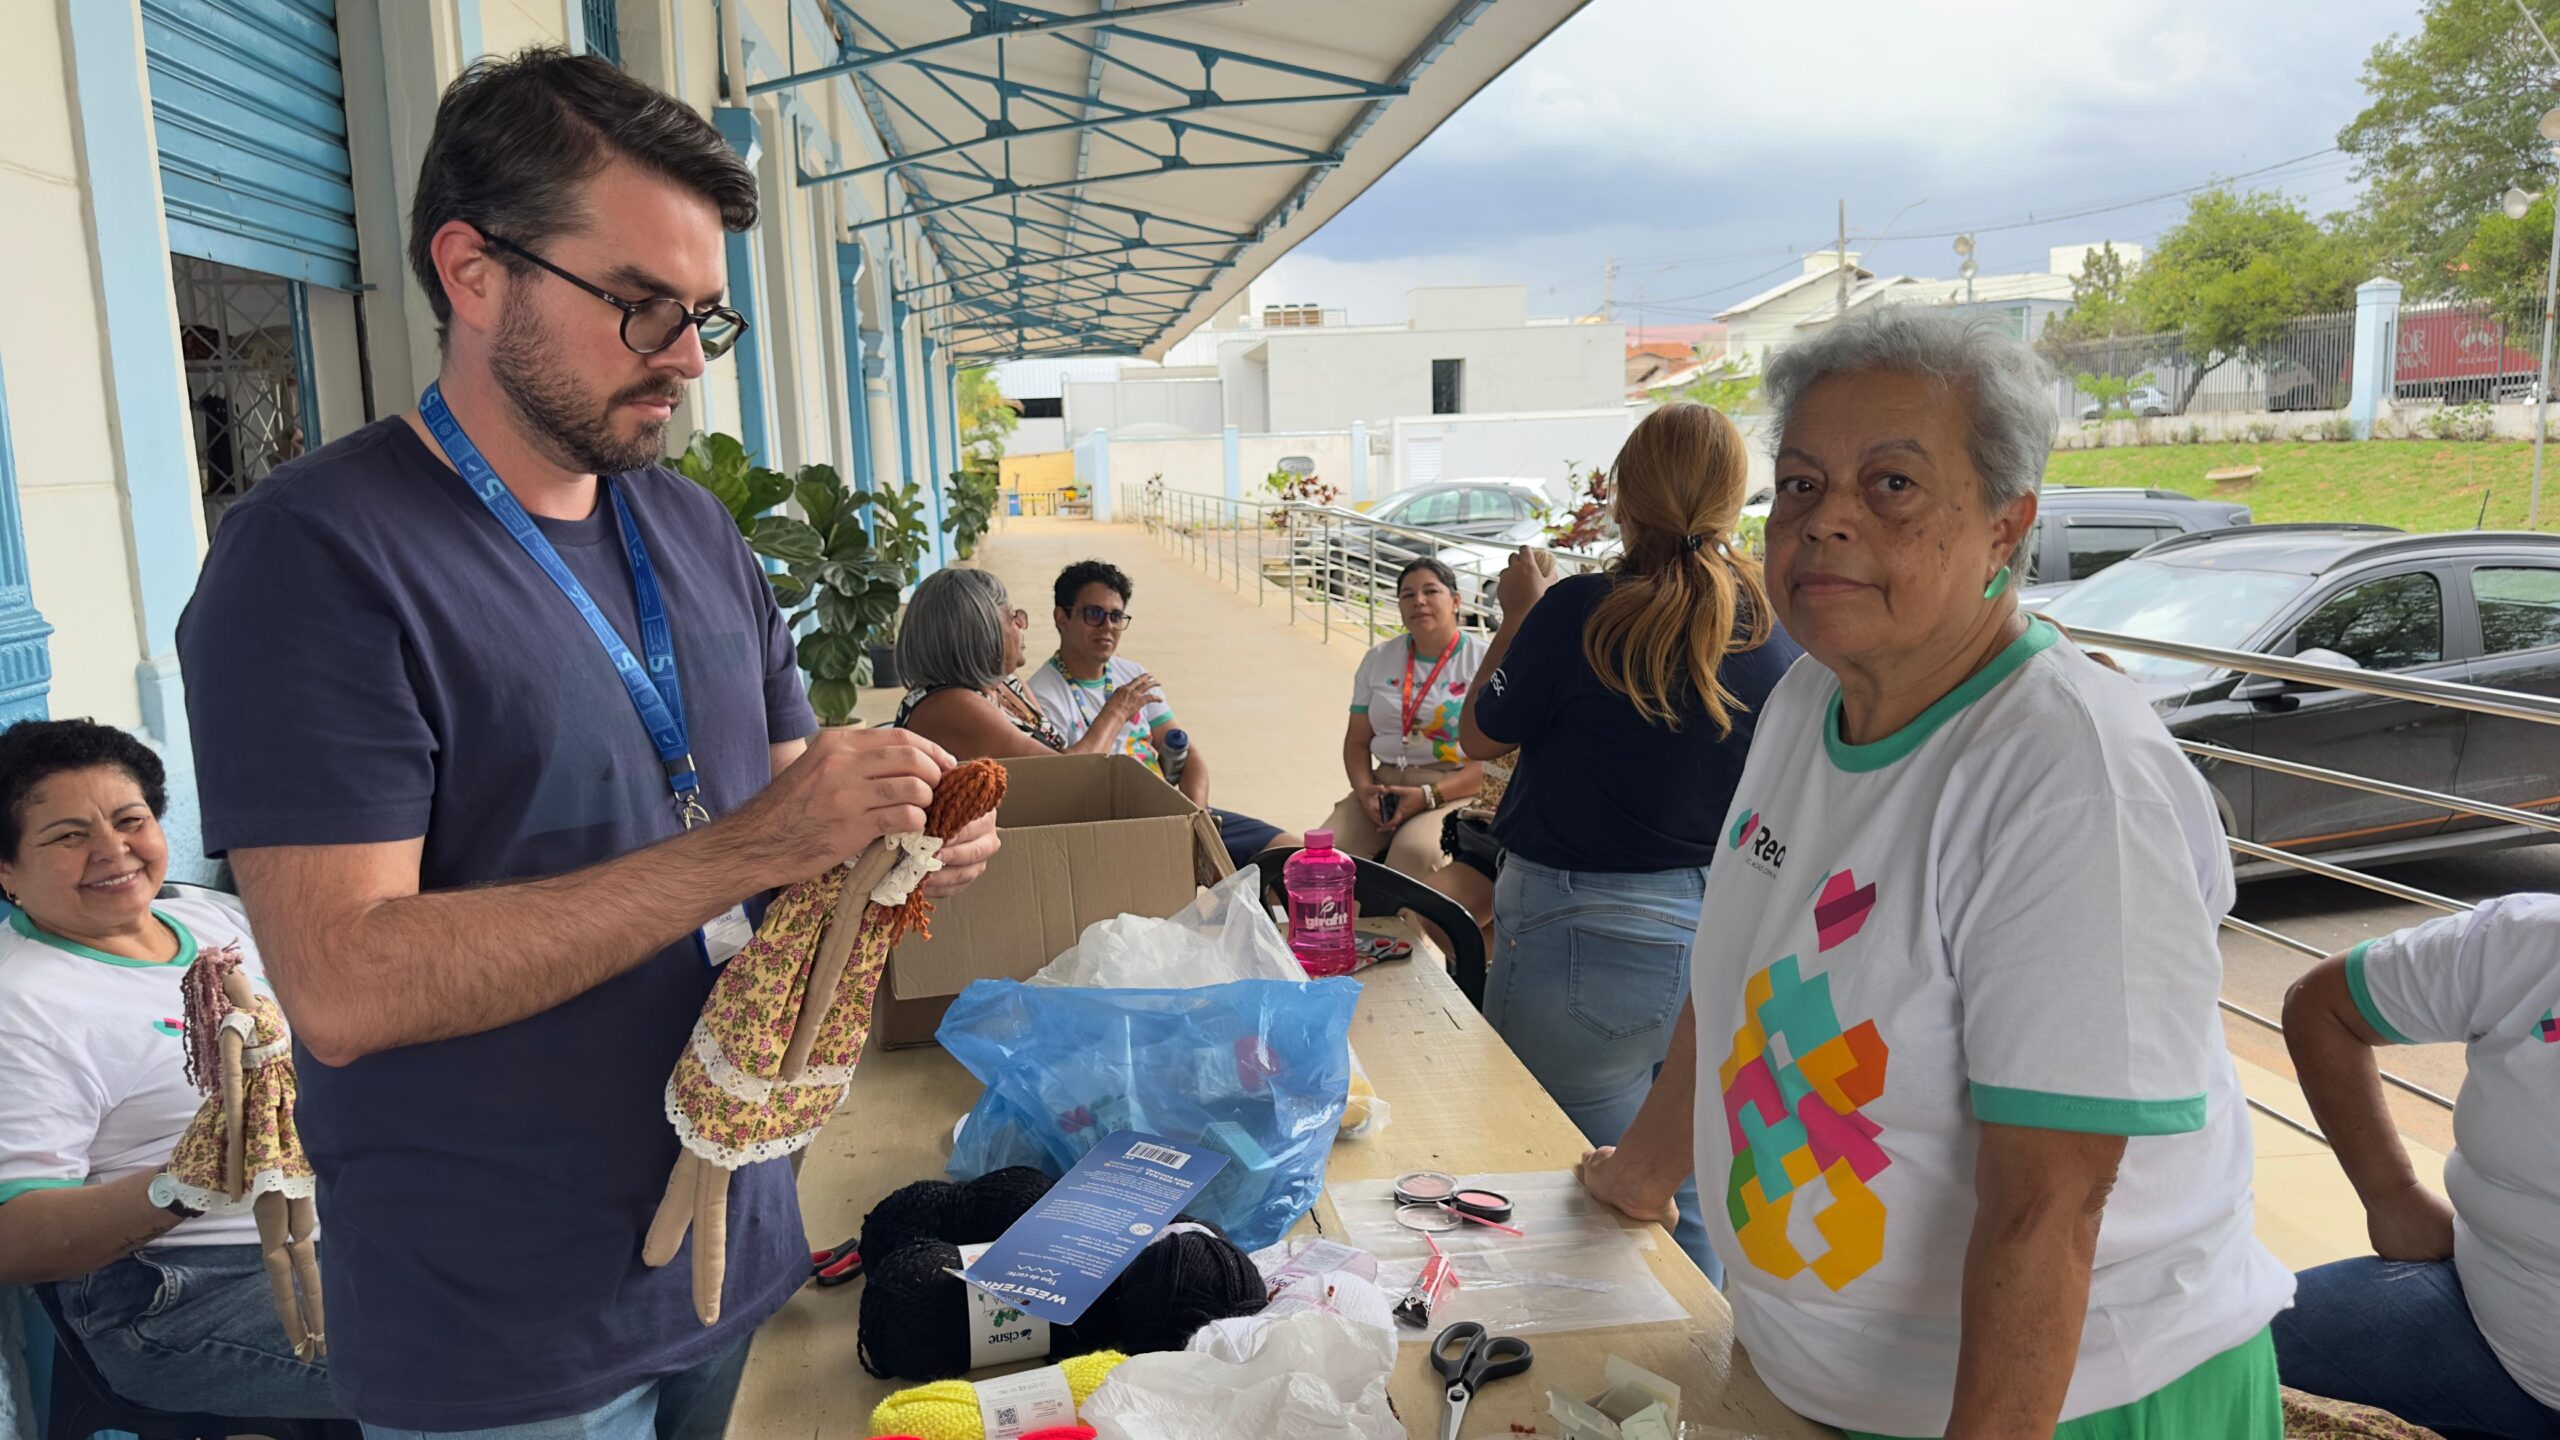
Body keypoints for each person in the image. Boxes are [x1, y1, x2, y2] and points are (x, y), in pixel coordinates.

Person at [173, 50, 996, 1438]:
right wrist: (751, 846)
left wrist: (900, 840)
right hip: (502, 1329)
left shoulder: (687, 527)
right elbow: (346, 985)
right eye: (638, 307)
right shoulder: (315, 560)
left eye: (703, 319)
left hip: (735, 1242)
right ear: (473, 271)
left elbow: (796, 808)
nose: (683, 358)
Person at [1578, 308, 2291, 1439]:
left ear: (2007, 527)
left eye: (1892, 486)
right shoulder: (1809, 698)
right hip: (1821, 1386)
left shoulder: (2066, 774)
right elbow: (1744, 987)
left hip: (2067, 1405)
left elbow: (2048, 1207)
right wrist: (1644, 1172)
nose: (1826, 525)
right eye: (1801, 484)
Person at [1461, 402, 1801, 1284]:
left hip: (1574, 938)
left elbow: (1478, 733)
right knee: (1677, 1193)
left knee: (1544, 1192)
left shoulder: (1578, 610)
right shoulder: (1777, 630)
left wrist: (1520, 613)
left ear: (1623, 493)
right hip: (1720, 940)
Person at [0, 719, 343, 1418]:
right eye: (68, 836)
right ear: (6, 871)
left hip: (347, 1222)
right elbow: (14, 1239)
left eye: (131, 820)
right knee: (469, 1355)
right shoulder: (22, 1004)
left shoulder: (218, 918)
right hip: (173, 1294)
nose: (112, 850)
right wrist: (185, 1183)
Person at [2272, 897, 2560, 1439]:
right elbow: (2322, 1005)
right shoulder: (2529, 941)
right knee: (2188, 1367)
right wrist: (2393, 1198)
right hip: (2477, 1312)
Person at [1024, 560, 1295, 867]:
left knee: (1291, 855)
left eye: (1116, 616)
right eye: (1094, 614)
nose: (1107, 627)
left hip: (1175, 815)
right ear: (1063, 617)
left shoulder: (1132, 675)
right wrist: (1115, 712)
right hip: (1114, 831)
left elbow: (1190, 755)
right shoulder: (1043, 696)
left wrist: (1198, 818)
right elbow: (1067, 784)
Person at [1315, 558, 1485, 877]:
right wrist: (1364, 789)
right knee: (1324, 858)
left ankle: (1398, 928)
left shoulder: (1483, 661)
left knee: (1414, 855)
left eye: (1430, 591)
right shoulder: (1379, 659)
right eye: (1407, 595)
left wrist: (1427, 796)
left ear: (1456, 601)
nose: (1418, 600)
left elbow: (1494, 762)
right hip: (1384, 785)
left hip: (1451, 788)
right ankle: (1338, 926)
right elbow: (1356, 741)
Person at [895, 567, 1162, 762]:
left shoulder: (1005, 682)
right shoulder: (953, 705)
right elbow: (1068, 777)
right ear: (980, 634)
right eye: (1013, 617)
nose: (1022, 624)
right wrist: (1116, 712)